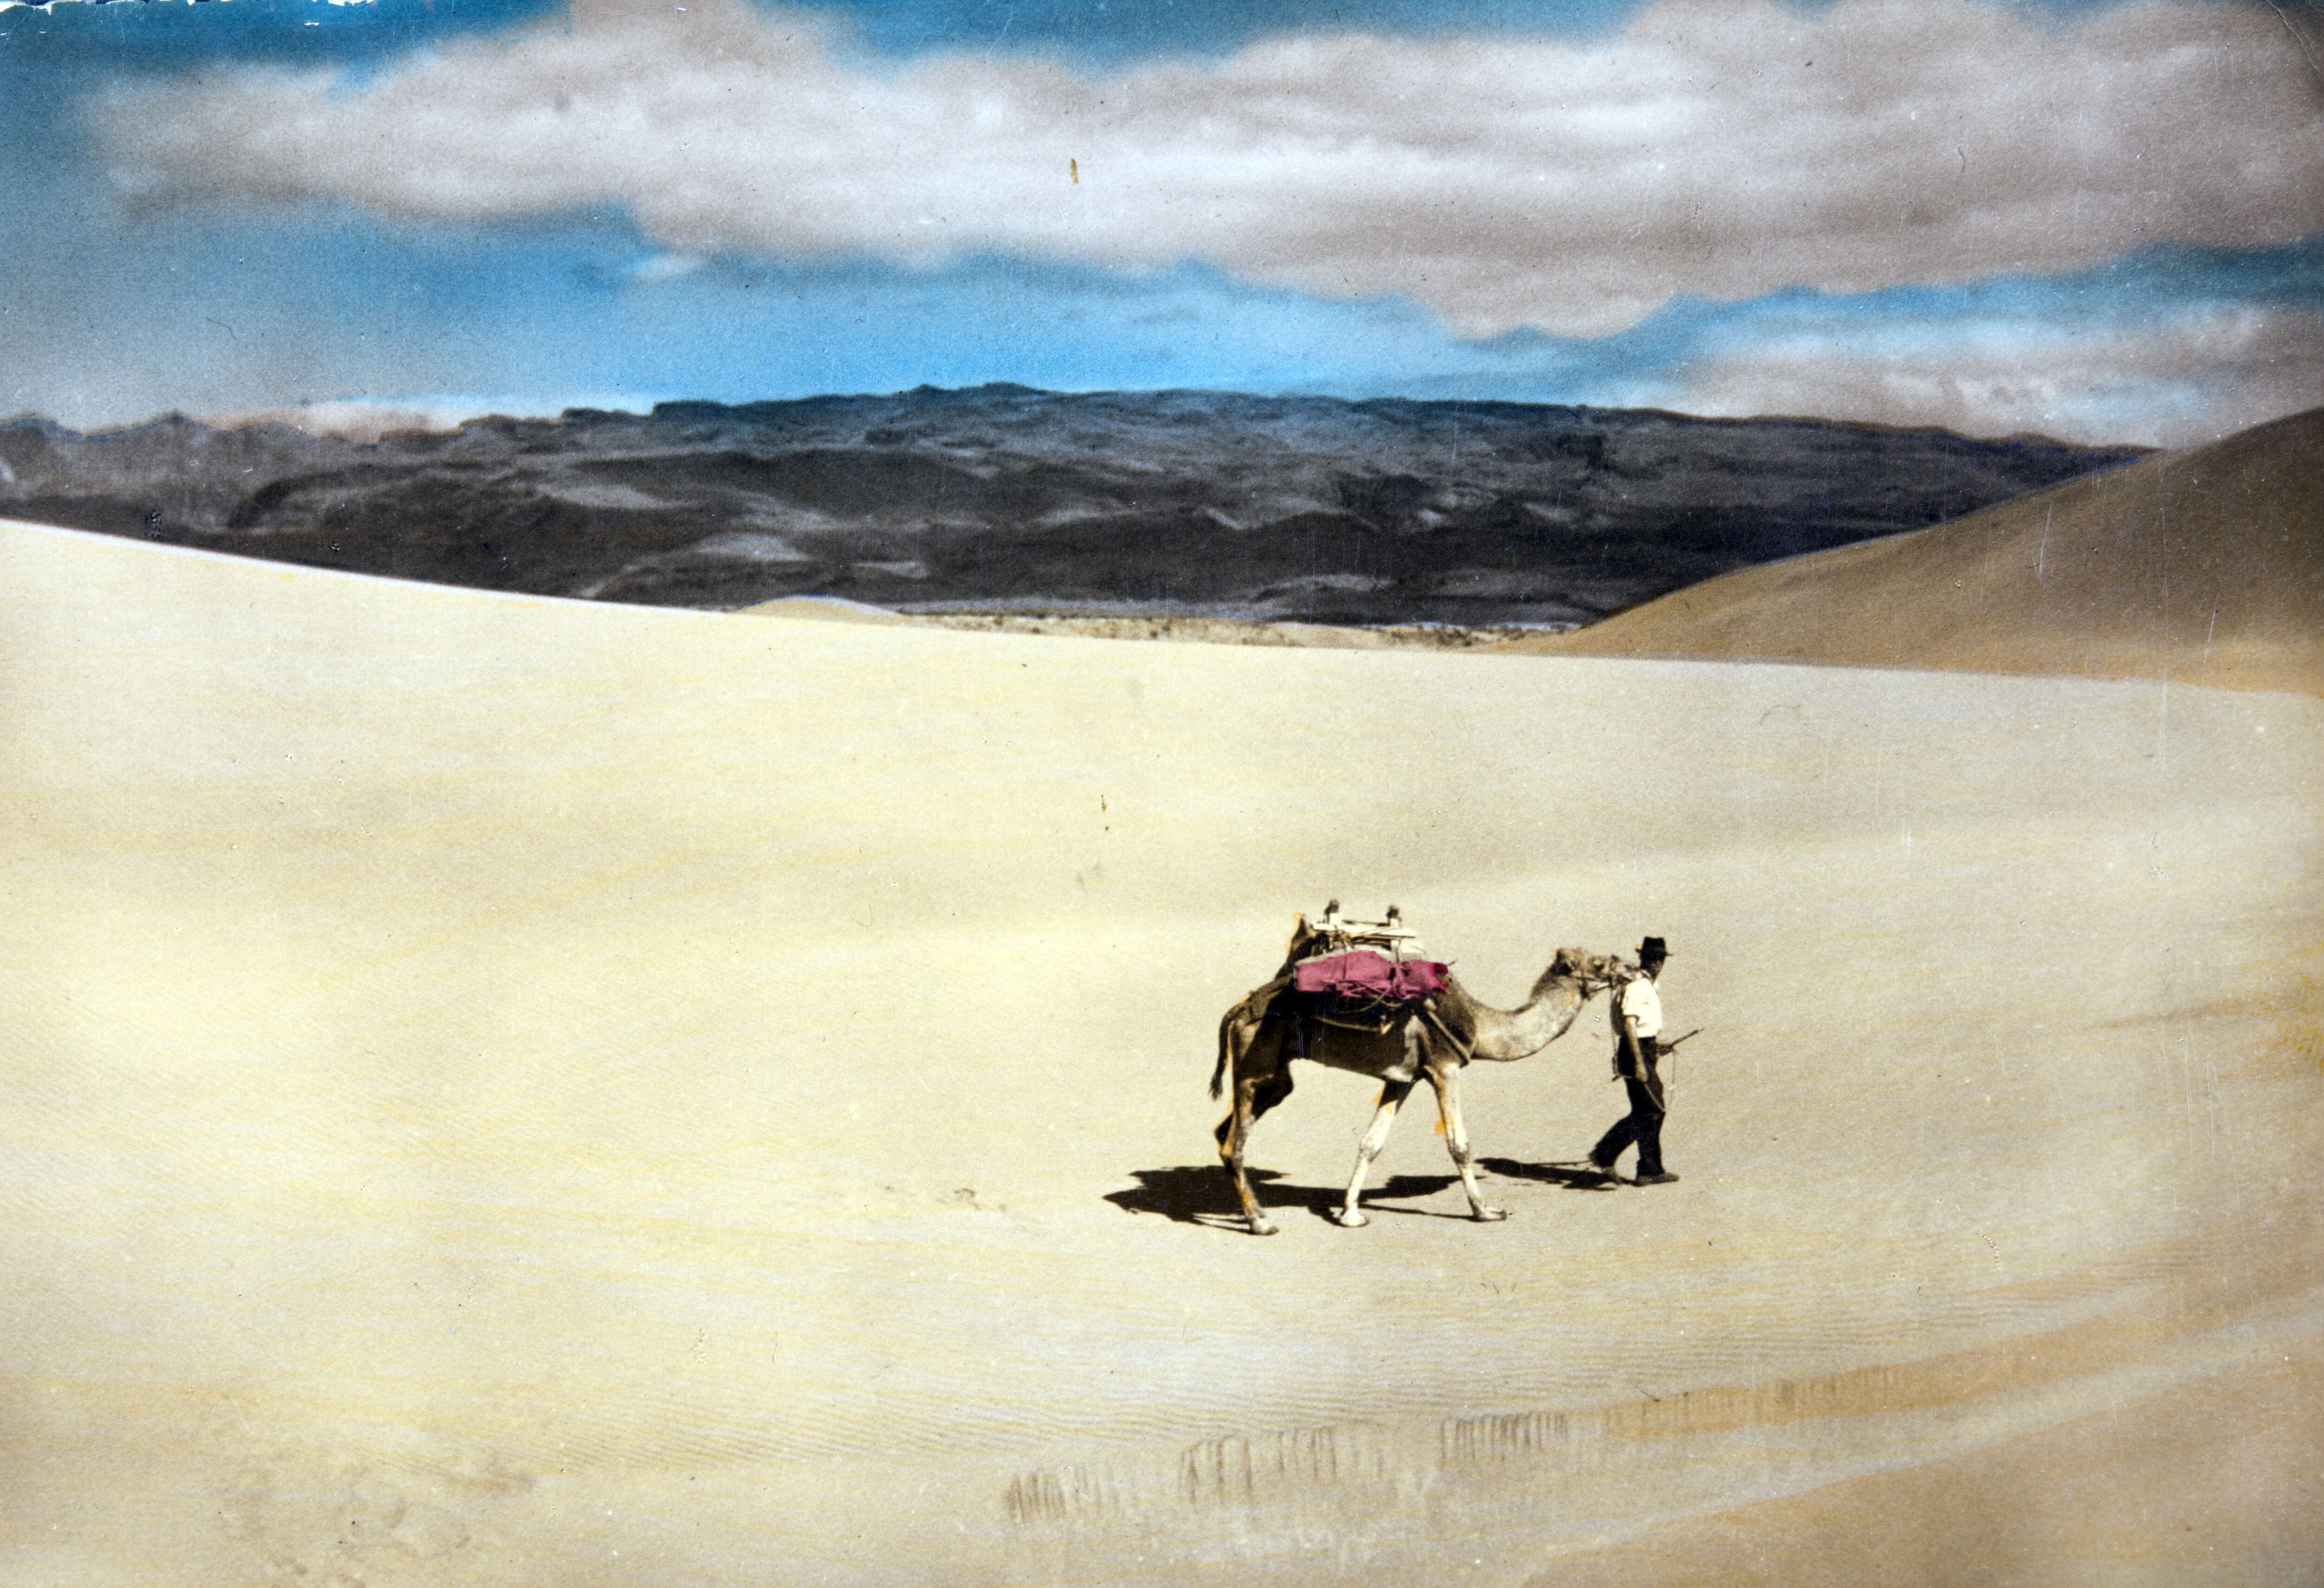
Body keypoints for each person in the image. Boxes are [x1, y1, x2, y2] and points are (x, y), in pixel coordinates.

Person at [1589, 937, 1678, 1185]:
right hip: (1634, 1051)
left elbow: (1640, 1026)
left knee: (1647, 1111)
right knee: (1653, 1110)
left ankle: (1649, 1169)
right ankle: (1607, 1154)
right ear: (1643, 959)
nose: (1657, 963)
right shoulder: (1638, 986)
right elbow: (1629, 1023)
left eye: (1660, 959)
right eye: (1652, 958)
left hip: (1643, 1049)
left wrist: (1656, 1047)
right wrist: (1640, 1062)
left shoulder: (1648, 985)